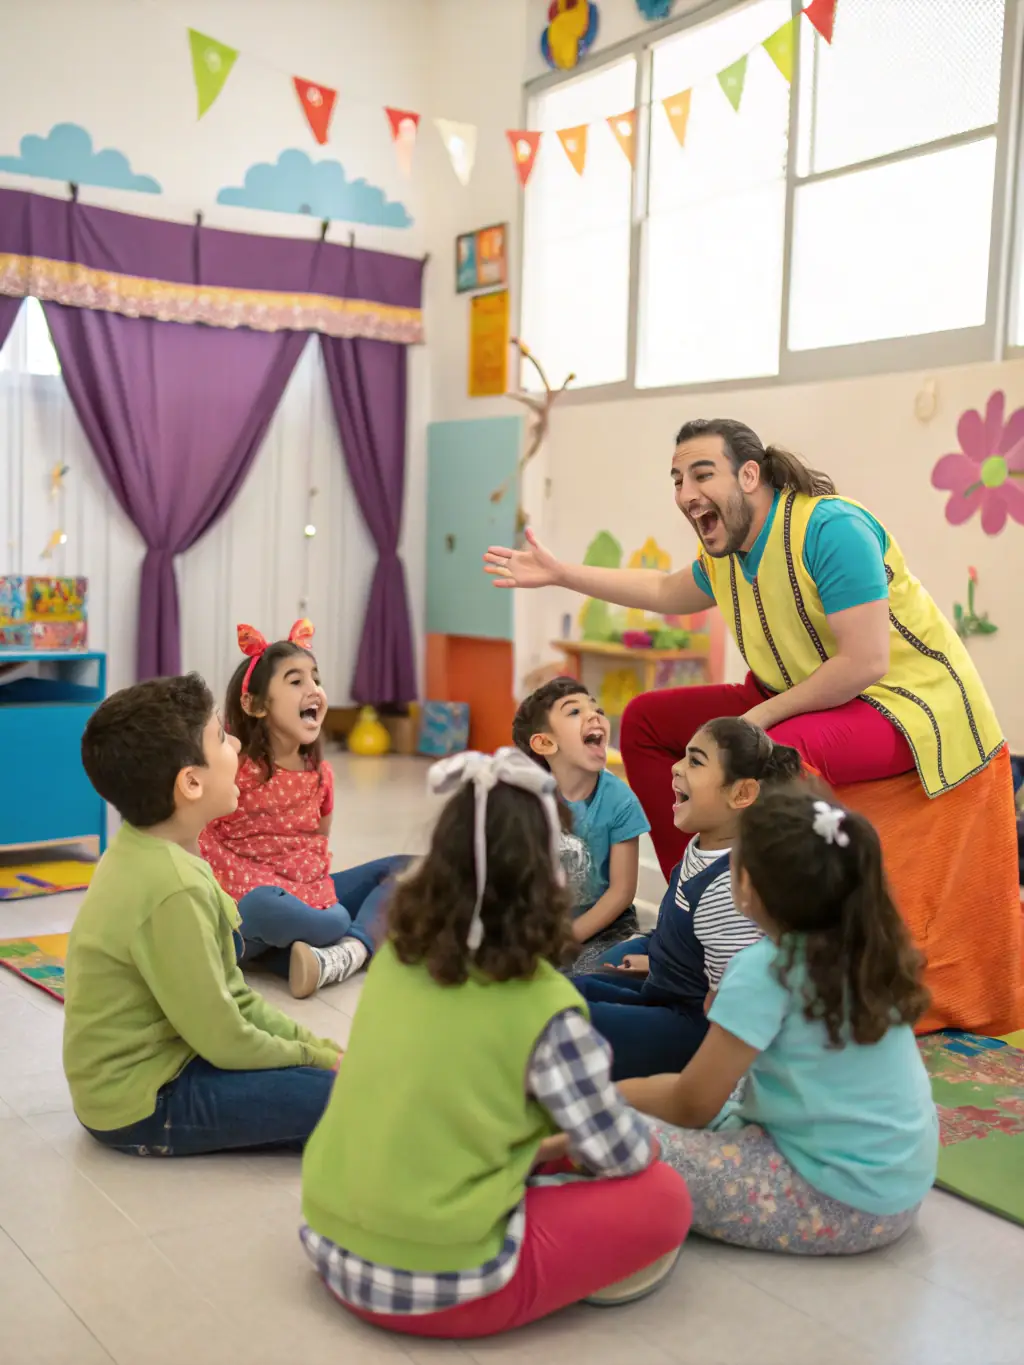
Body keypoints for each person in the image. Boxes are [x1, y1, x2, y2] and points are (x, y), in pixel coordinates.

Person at [484, 417, 1023, 1036]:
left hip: (908, 702)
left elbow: (867, 661)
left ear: (750, 475)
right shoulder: (728, 553)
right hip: (801, 690)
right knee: (648, 722)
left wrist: (758, 719)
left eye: (701, 473)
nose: (686, 492)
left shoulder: (831, 528)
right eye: (677, 478)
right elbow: (662, 587)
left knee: (770, 755)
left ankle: (765, 957)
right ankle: (691, 917)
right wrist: (560, 573)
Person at [300, 749, 692, 1339]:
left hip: (329, 1242)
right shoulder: (546, 1009)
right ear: (554, 880)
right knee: (663, 1194)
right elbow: (622, 1153)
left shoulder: (399, 959)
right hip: (438, 1283)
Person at [619, 787, 938, 1255]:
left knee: (613, 1135)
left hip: (839, 1203)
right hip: (901, 1186)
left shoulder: (766, 967)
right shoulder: (867, 946)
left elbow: (691, 1104)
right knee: (724, 1091)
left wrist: (604, 1097)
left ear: (745, 883)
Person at [63, 674, 342, 1158]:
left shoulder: (161, 852)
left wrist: (319, 1048)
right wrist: (318, 1060)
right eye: (220, 737)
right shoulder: (172, 886)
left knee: (344, 1079)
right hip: (145, 1101)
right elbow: (226, 1038)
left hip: (177, 1060)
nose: (236, 742)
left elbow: (234, 995)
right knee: (358, 1101)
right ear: (190, 783)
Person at [575, 718, 802, 1080]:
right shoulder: (702, 847)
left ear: (741, 794)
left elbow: (733, 1000)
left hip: (695, 1028)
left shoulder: (731, 890)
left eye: (695, 761)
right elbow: (683, 932)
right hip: (667, 989)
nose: (676, 767)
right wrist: (657, 961)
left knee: (561, 1024)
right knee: (566, 990)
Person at [199, 620, 409, 998]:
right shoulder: (233, 764)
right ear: (255, 704)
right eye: (296, 682)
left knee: (410, 869)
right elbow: (196, 835)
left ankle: (347, 950)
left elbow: (317, 845)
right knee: (270, 905)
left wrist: (311, 899)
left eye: (316, 679)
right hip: (241, 910)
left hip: (307, 898)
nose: (314, 690)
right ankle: (346, 939)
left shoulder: (320, 775)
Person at [512, 677, 650, 974]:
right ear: (546, 742)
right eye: (574, 712)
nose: (593, 715)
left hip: (605, 929)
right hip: (540, 923)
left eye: (596, 709)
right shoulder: (526, 798)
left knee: (598, 973)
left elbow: (621, 891)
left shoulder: (620, 800)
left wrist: (565, 939)